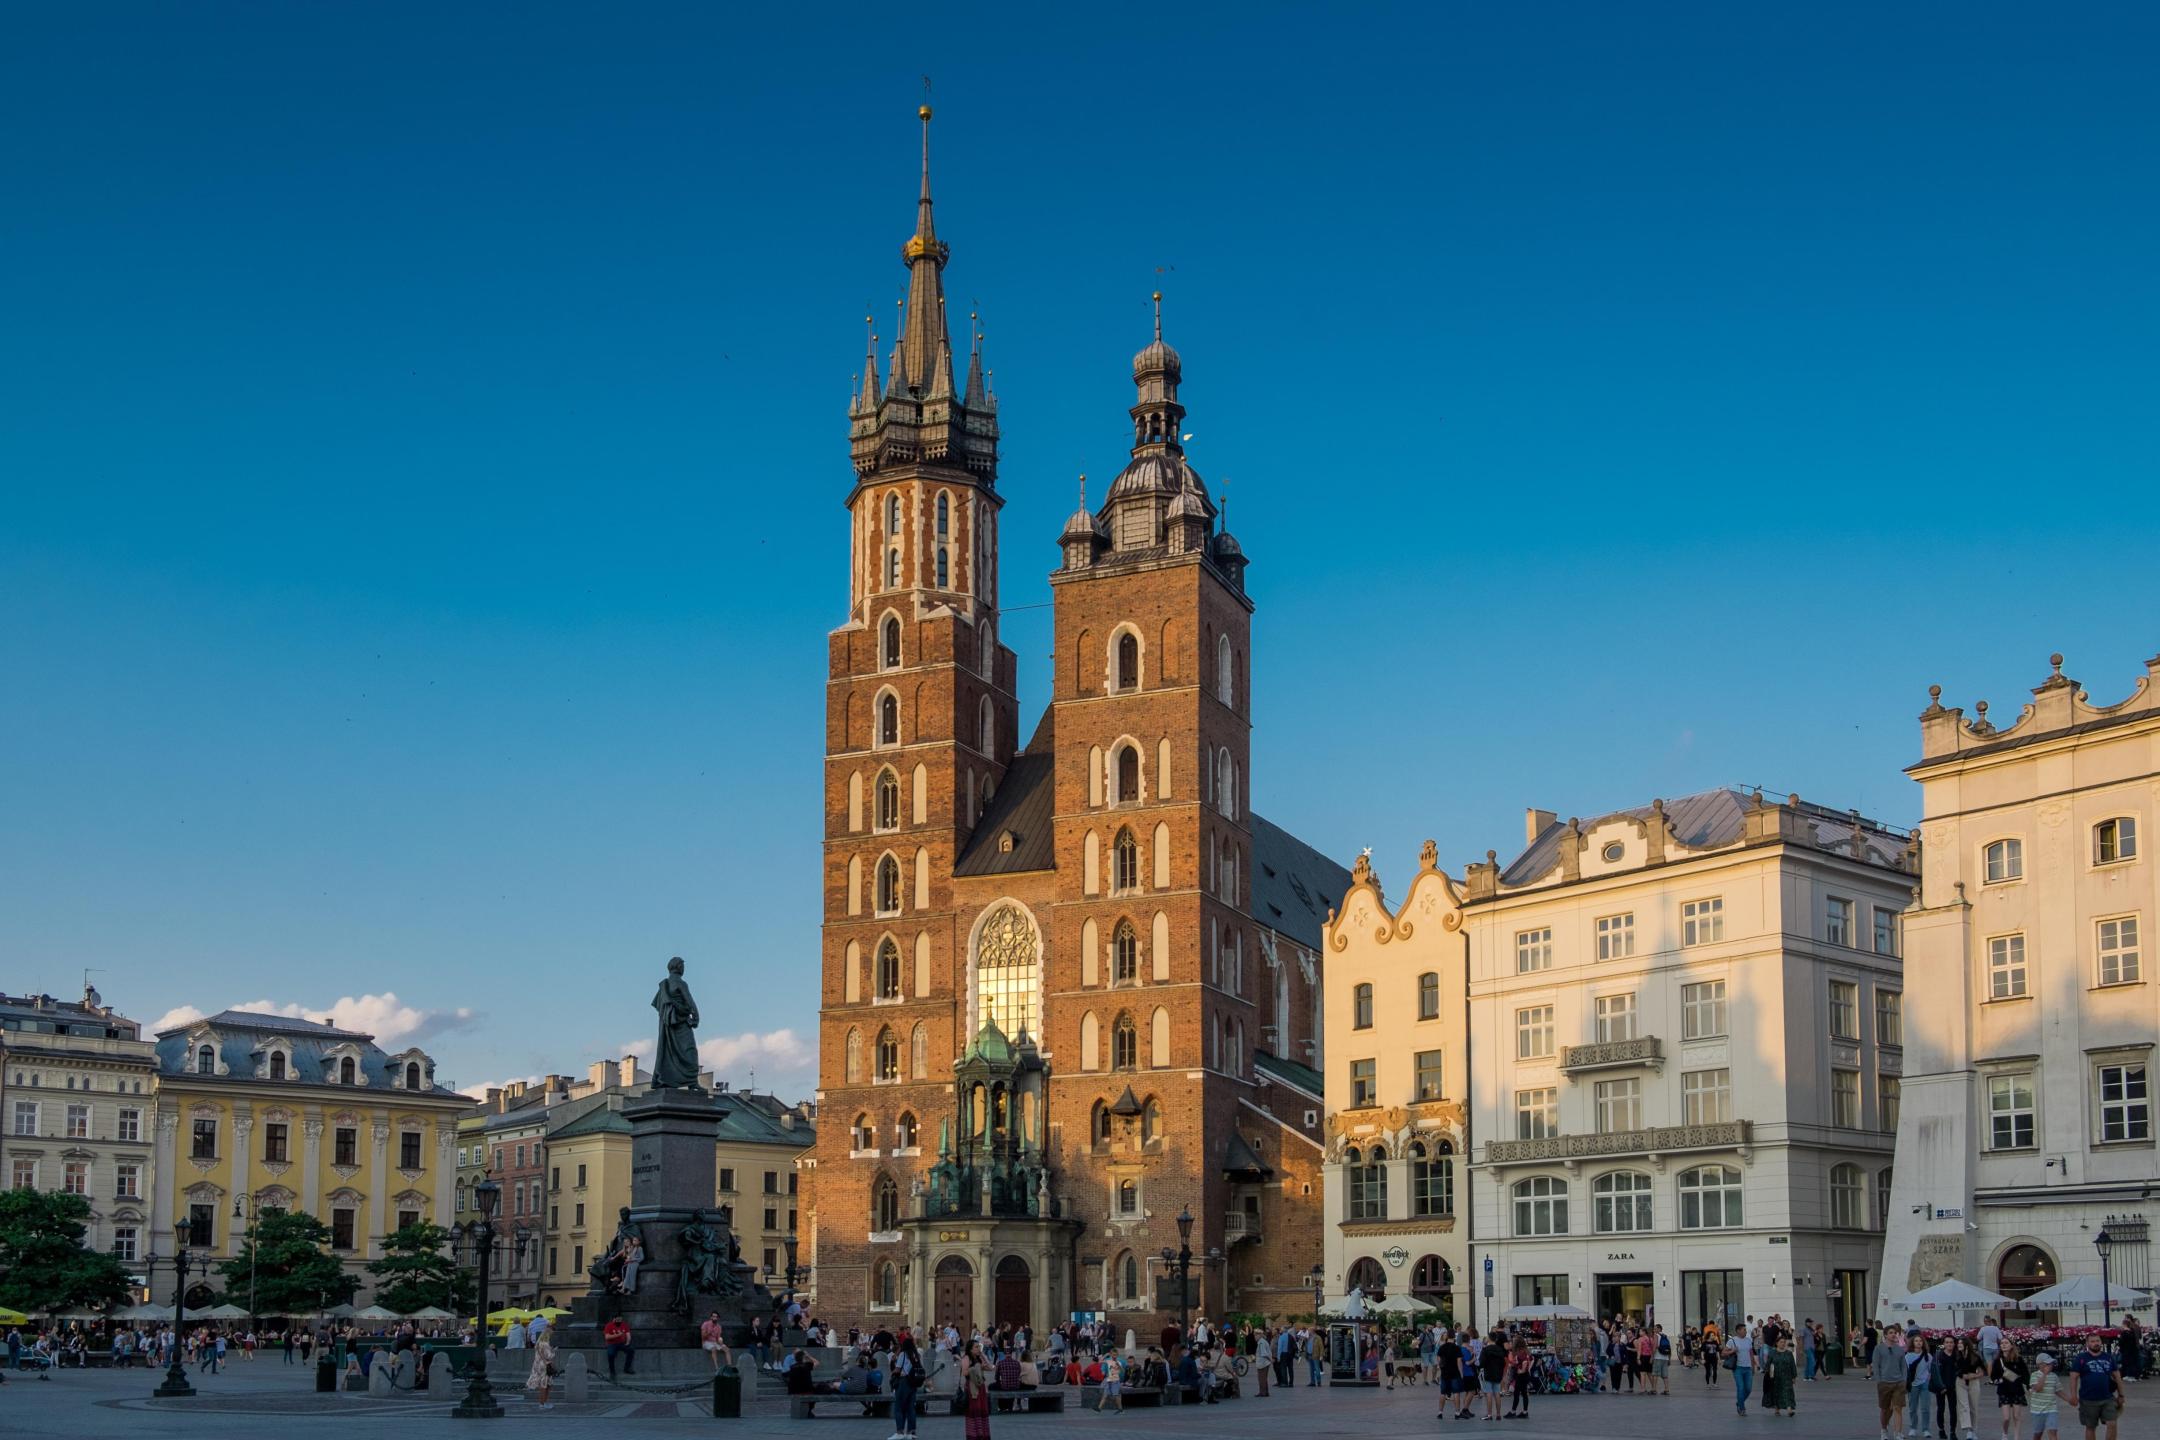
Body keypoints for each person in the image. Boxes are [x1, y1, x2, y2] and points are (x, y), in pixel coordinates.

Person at [2070, 1333, 2124, 1440]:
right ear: (2087, 1344)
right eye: (2092, 1341)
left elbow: (2117, 1377)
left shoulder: (2108, 1357)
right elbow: (2073, 1378)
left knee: (2112, 1424)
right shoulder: (2081, 1358)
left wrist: (2121, 1395)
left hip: (2108, 1398)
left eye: (2097, 1341)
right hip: (2088, 1399)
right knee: (2090, 1427)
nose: (2096, 1343)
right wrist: (2073, 1396)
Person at [1871, 1318, 1910, 1440]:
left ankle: (1897, 1432)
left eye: (1895, 1333)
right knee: (1885, 1409)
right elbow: (1876, 1365)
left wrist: (1904, 1380)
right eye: (1891, 1333)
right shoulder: (1879, 1348)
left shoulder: (1899, 1349)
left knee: (1898, 1408)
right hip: (1884, 1382)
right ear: (1886, 1335)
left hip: (1898, 1382)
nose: (1894, 1335)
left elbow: (1903, 1366)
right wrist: (1879, 1380)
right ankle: (1884, 1429)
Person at [1994, 1341, 2031, 1440]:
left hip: (2017, 1389)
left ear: (2011, 1346)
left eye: (2006, 1343)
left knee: (2017, 1416)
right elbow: (1993, 1376)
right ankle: (2004, 1433)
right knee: (2006, 1418)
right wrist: (1998, 1379)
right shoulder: (1998, 1360)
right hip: (2003, 1390)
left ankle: (2016, 1437)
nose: (2003, 1345)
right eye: (2001, 1343)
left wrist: (2028, 1386)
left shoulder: (2018, 1359)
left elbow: (2025, 1374)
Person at [890, 1335, 923, 1440]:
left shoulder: (903, 1354)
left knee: (899, 1407)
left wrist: (892, 1371)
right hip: (913, 1382)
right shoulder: (916, 1354)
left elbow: (898, 1369)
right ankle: (911, 1432)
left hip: (903, 1381)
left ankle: (899, 1432)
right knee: (910, 1408)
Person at [1764, 1333, 1799, 1417]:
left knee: (1787, 1392)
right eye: (1781, 1342)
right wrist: (1769, 1375)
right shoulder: (1772, 1353)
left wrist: (1794, 1376)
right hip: (1775, 1377)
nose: (1783, 1344)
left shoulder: (1789, 1353)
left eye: (1784, 1342)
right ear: (1777, 1343)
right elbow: (1768, 1365)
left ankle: (1789, 1409)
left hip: (1787, 1376)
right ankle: (1777, 1409)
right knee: (1777, 1392)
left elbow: (1792, 1365)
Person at [2029, 1354, 2063, 1440]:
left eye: (2051, 1364)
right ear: (2039, 1365)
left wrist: (2069, 1399)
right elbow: (2038, 1388)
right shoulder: (2034, 1375)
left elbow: (2058, 1391)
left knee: (2053, 1431)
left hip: (2051, 1408)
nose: (2050, 1366)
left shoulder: (2054, 1376)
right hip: (2037, 1410)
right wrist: (2044, 1374)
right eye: (2047, 1364)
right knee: (2038, 1434)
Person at [1727, 1324, 1757, 1416]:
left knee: (1748, 1389)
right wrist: (1732, 1351)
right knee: (1741, 1388)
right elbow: (1723, 1353)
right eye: (1744, 1330)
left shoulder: (1748, 1340)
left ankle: (1739, 1402)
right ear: (1738, 1331)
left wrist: (1753, 1366)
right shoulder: (1732, 1341)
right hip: (1738, 1368)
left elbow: (1751, 1354)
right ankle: (1742, 1408)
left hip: (1748, 1368)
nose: (1746, 1331)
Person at [526, 1327, 557, 1411]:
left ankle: (543, 1403)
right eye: (550, 1334)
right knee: (545, 1385)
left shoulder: (538, 1343)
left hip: (537, 1365)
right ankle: (543, 1403)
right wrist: (553, 1351)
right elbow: (549, 1356)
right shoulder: (545, 1344)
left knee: (544, 1385)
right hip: (545, 1366)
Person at [604, 1315, 635, 1379]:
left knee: (631, 1350)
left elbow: (628, 1335)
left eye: (620, 1320)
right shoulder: (609, 1325)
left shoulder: (624, 1325)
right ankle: (612, 1372)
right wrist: (618, 1335)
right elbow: (607, 1337)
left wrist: (628, 1342)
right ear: (614, 1319)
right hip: (612, 1344)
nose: (619, 1321)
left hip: (621, 1343)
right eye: (618, 1320)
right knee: (610, 1354)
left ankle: (627, 1368)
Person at [1096, 1349, 1124, 1413]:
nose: (1115, 1356)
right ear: (1111, 1355)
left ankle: (1120, 1409)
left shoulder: (1119, 1362)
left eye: (1116, 1355)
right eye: (1113, 1355)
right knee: (1105, 1395)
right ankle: (1099, 1408)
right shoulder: (1108, 1361)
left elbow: (1122, 1370)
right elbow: (1100, 1361)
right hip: (1109, 1380)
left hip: (1115, 1380)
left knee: (1116, 1395)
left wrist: (1118, 1365)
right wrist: (1106, 1355)